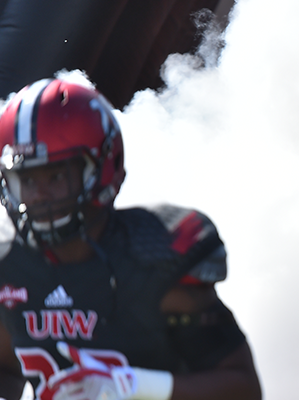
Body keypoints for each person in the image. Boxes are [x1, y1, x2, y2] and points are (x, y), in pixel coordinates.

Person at [0, 78, 261, 400]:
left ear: (105, 167)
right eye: (25, 179)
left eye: (55, 176)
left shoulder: (153, 258)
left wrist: (136, 388)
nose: (39, 196)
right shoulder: (9, 265)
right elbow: (7, 369)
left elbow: (243, 388)